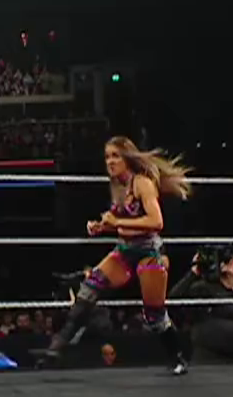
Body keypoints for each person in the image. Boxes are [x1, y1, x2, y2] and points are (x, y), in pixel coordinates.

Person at [38, 136, 191, 371]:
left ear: (127, 158)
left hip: (149, 252)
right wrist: (102, 226)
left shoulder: (142, 183)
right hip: (125, 250)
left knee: (154, 313)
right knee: (88, 290)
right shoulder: (117, 186)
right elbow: (123, 223)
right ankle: (54, 350)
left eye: (115, 156)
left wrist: (116, 222)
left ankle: (177, 357)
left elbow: (156, 221)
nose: (110, 161)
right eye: (107, 156)